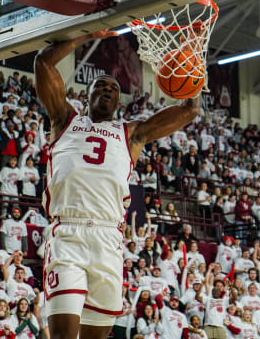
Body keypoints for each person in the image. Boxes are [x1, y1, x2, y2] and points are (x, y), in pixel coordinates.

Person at [35, 29, 201, 339]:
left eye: (113, 87)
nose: (108, 90)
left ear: (118, 100)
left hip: (108, 239)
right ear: (88, 95)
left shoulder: (131, 134)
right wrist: (85, 34)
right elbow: (43, 64)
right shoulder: (64, 119)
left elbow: (189, 110)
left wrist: (192, 71)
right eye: (101, 85)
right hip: (67, 234)